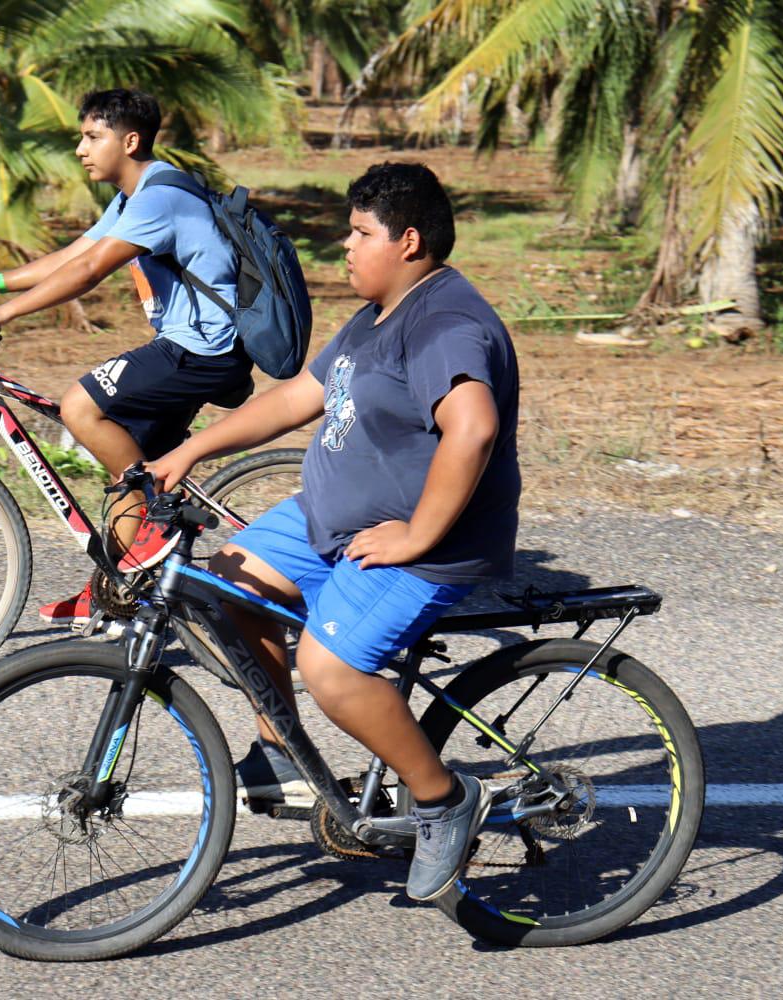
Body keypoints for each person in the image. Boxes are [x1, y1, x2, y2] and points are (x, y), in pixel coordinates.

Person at [150, 162, 520, 901]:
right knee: (229, 585)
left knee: (329, 668)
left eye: (358, 234)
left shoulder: (444, 322)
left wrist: (417, 536)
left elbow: (473, 429)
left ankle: (445, 801)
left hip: (428, 544)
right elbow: (297, 398)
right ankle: (284, 753)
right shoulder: (374, 316)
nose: (343, 248)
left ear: (408, 240)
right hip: (331, 522)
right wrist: (191, 448)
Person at [0, 88, 252, 629]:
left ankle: (156, 521)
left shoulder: (160, 196)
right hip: (191, 348)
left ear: (129, 141)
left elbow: (90, 273)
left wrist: (7, 312)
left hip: (201, 349)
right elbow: (75, 255)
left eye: (93, 136)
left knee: (81, 407)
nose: (80, 148)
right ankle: (116, 588)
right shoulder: (133, 197)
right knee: (127, 467)